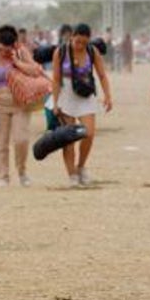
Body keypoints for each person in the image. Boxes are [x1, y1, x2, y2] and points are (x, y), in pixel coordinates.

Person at [51, 24, 113, 186]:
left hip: (85, 95)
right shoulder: (60, 52)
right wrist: (55, 103)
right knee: (68, 139)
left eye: (84, 43)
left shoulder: (92, 51)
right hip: (65, 96)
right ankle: (71, 175)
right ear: (72, 37)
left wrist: (108, 96)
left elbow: (102, 75)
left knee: (89, 133)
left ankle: (81, 166)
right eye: (77, 41)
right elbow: (56, 79)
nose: (80, 45)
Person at [0, 24, 40, 187]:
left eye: (8, 49)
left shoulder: (21, 53)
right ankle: (3, 176)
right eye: (1, 49)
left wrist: (17, 62)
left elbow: (35, 70)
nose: (4, 52)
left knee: (21, 139)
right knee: (2, 141)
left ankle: (22, 172)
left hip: (20, 102)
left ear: (14, 44)